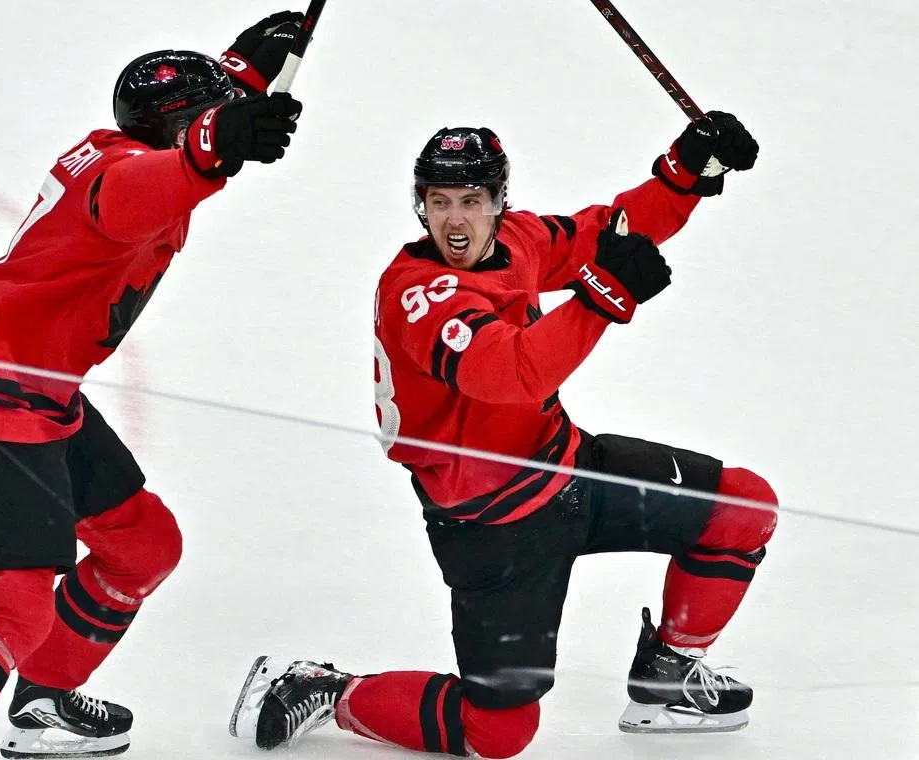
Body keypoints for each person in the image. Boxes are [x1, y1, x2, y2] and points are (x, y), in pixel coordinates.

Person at [231, 115, 779, 757]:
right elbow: (507, 371)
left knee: (743, 509)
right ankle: (327, 688)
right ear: (420, 206)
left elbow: (614, 231)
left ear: (499, 202)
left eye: (471, 201)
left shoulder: (518, 240)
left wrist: (685, 172)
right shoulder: (419, 293)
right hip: (494, 525)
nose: (455, 221)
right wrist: (602, 298)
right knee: (498, 733)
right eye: (438, 202)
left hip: (573, 471)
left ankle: (668, 676)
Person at [0, 11, 306, 760]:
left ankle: (44, 701)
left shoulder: (129, 142)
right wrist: (216, 142)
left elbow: (184, 139)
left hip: (38, 387)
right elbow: (144, 188)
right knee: (19, 605)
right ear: (180, 128)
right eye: (210, 113)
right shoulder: (119, 175)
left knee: (144, 545)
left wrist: (243, 74)